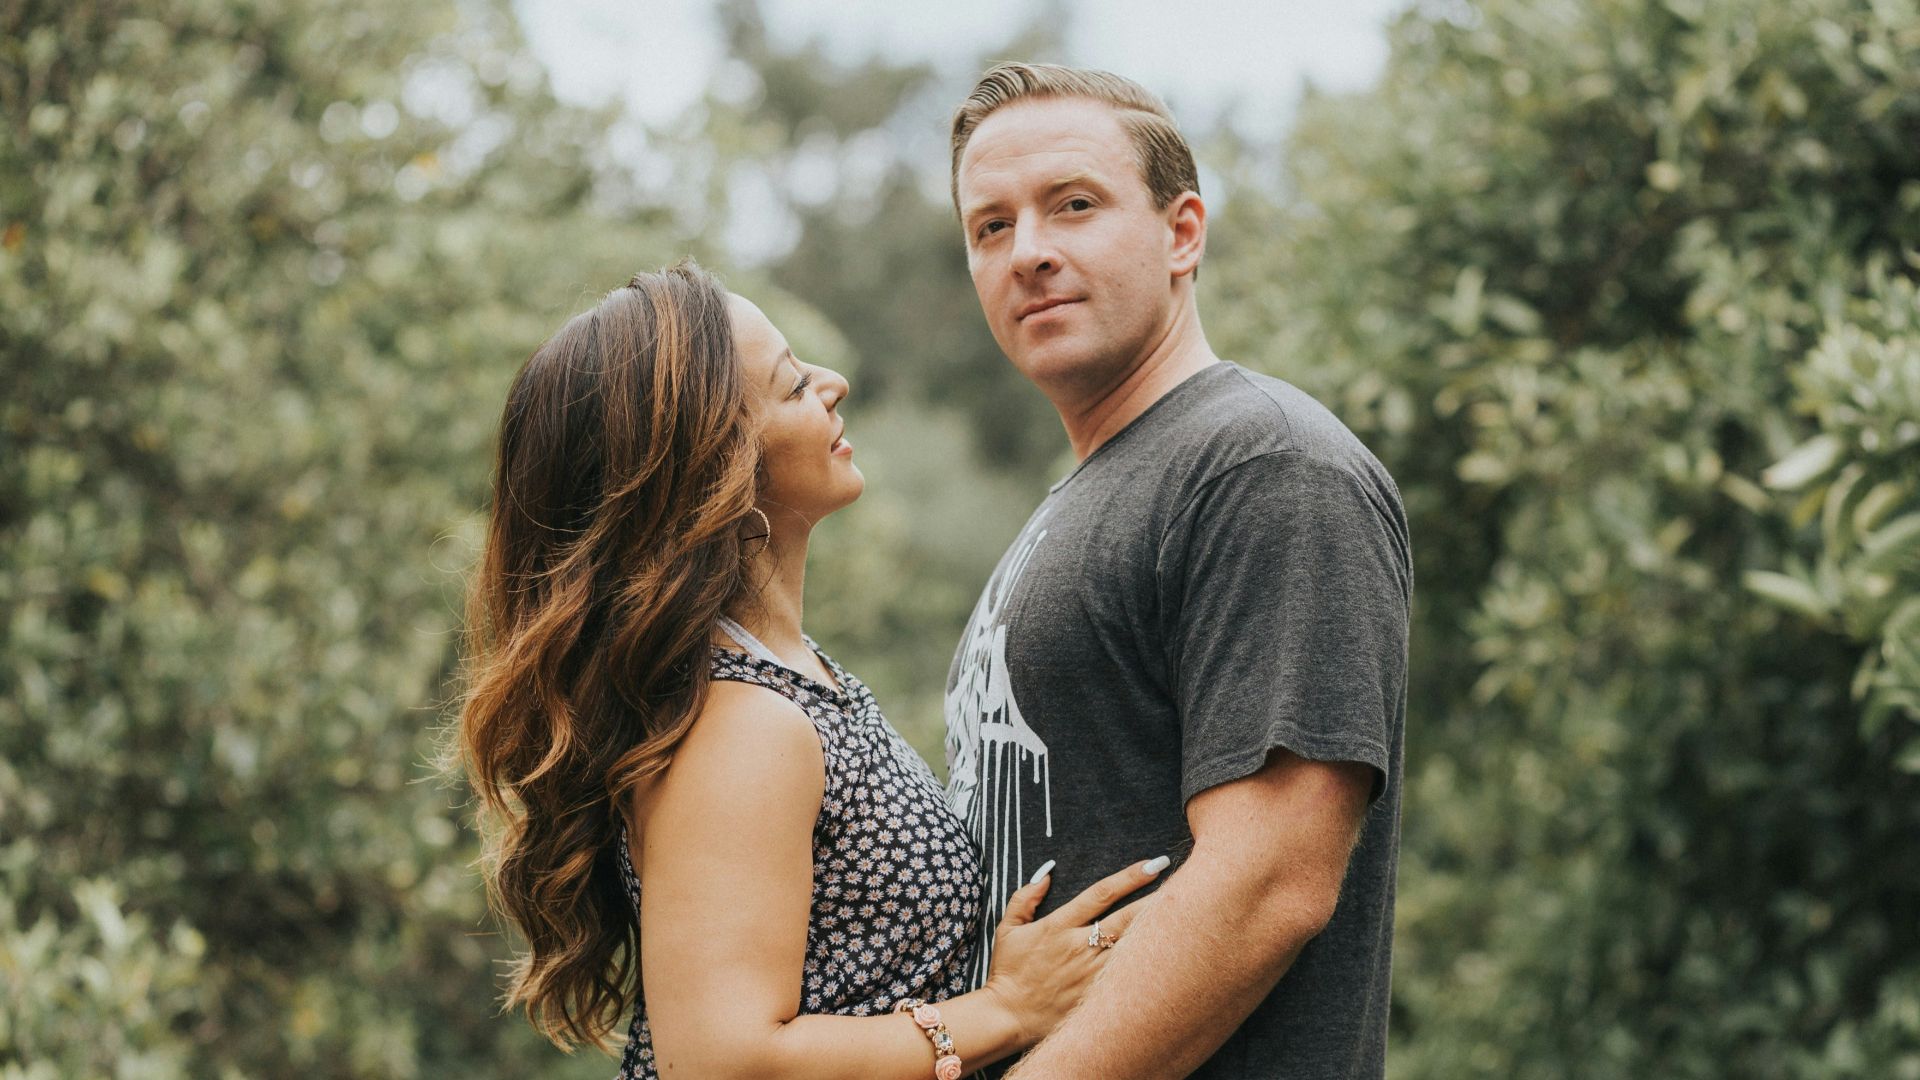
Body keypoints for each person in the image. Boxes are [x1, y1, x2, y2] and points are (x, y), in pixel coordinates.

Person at [456, 260, 1167, 1080]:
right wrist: (1003, 1009)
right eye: (792, 386)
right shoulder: (743, 725)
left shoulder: (783, 680)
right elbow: (727, 1060)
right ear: (715, 470)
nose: (832, 384)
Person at [942, 64, 1413, 1079]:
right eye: (991, 227)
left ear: (1182, 233)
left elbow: (1269, 882)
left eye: (1074, 206)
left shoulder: (1262, 464)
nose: (1029, 253)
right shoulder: (1090, 495)